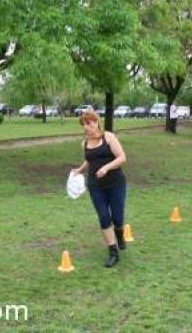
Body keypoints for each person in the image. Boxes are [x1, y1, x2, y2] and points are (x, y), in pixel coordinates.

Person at [72, 110, 127, 268]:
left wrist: (106, 168)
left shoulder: (108, 137)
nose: (86, 126)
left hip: (116, 184)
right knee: (104, 217)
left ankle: (120, 233)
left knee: (117, 218)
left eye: (89, 122)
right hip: (96, 186)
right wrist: (79, 169)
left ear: (96, 122)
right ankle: (113, 252)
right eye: (84, 124)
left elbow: (122, 157)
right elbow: (89, 159)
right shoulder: (84, 143)